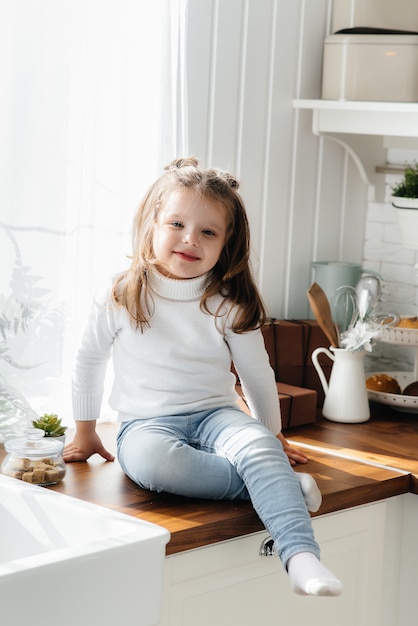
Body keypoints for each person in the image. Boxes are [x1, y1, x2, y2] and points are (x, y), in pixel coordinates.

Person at [64, 157, 343, 597]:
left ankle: (301, 557)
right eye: (177, 223)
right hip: (146, 423)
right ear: (152, 223)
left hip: (216, 413)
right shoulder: (121, 292)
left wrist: (272, 436)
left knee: (256, 447)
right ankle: (278, 487)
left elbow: (256, 373)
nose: (190, 239)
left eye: (208, 232)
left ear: (226, 245)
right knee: (157, 464)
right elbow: (87, 360)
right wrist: (84, 432)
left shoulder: (228, 302)